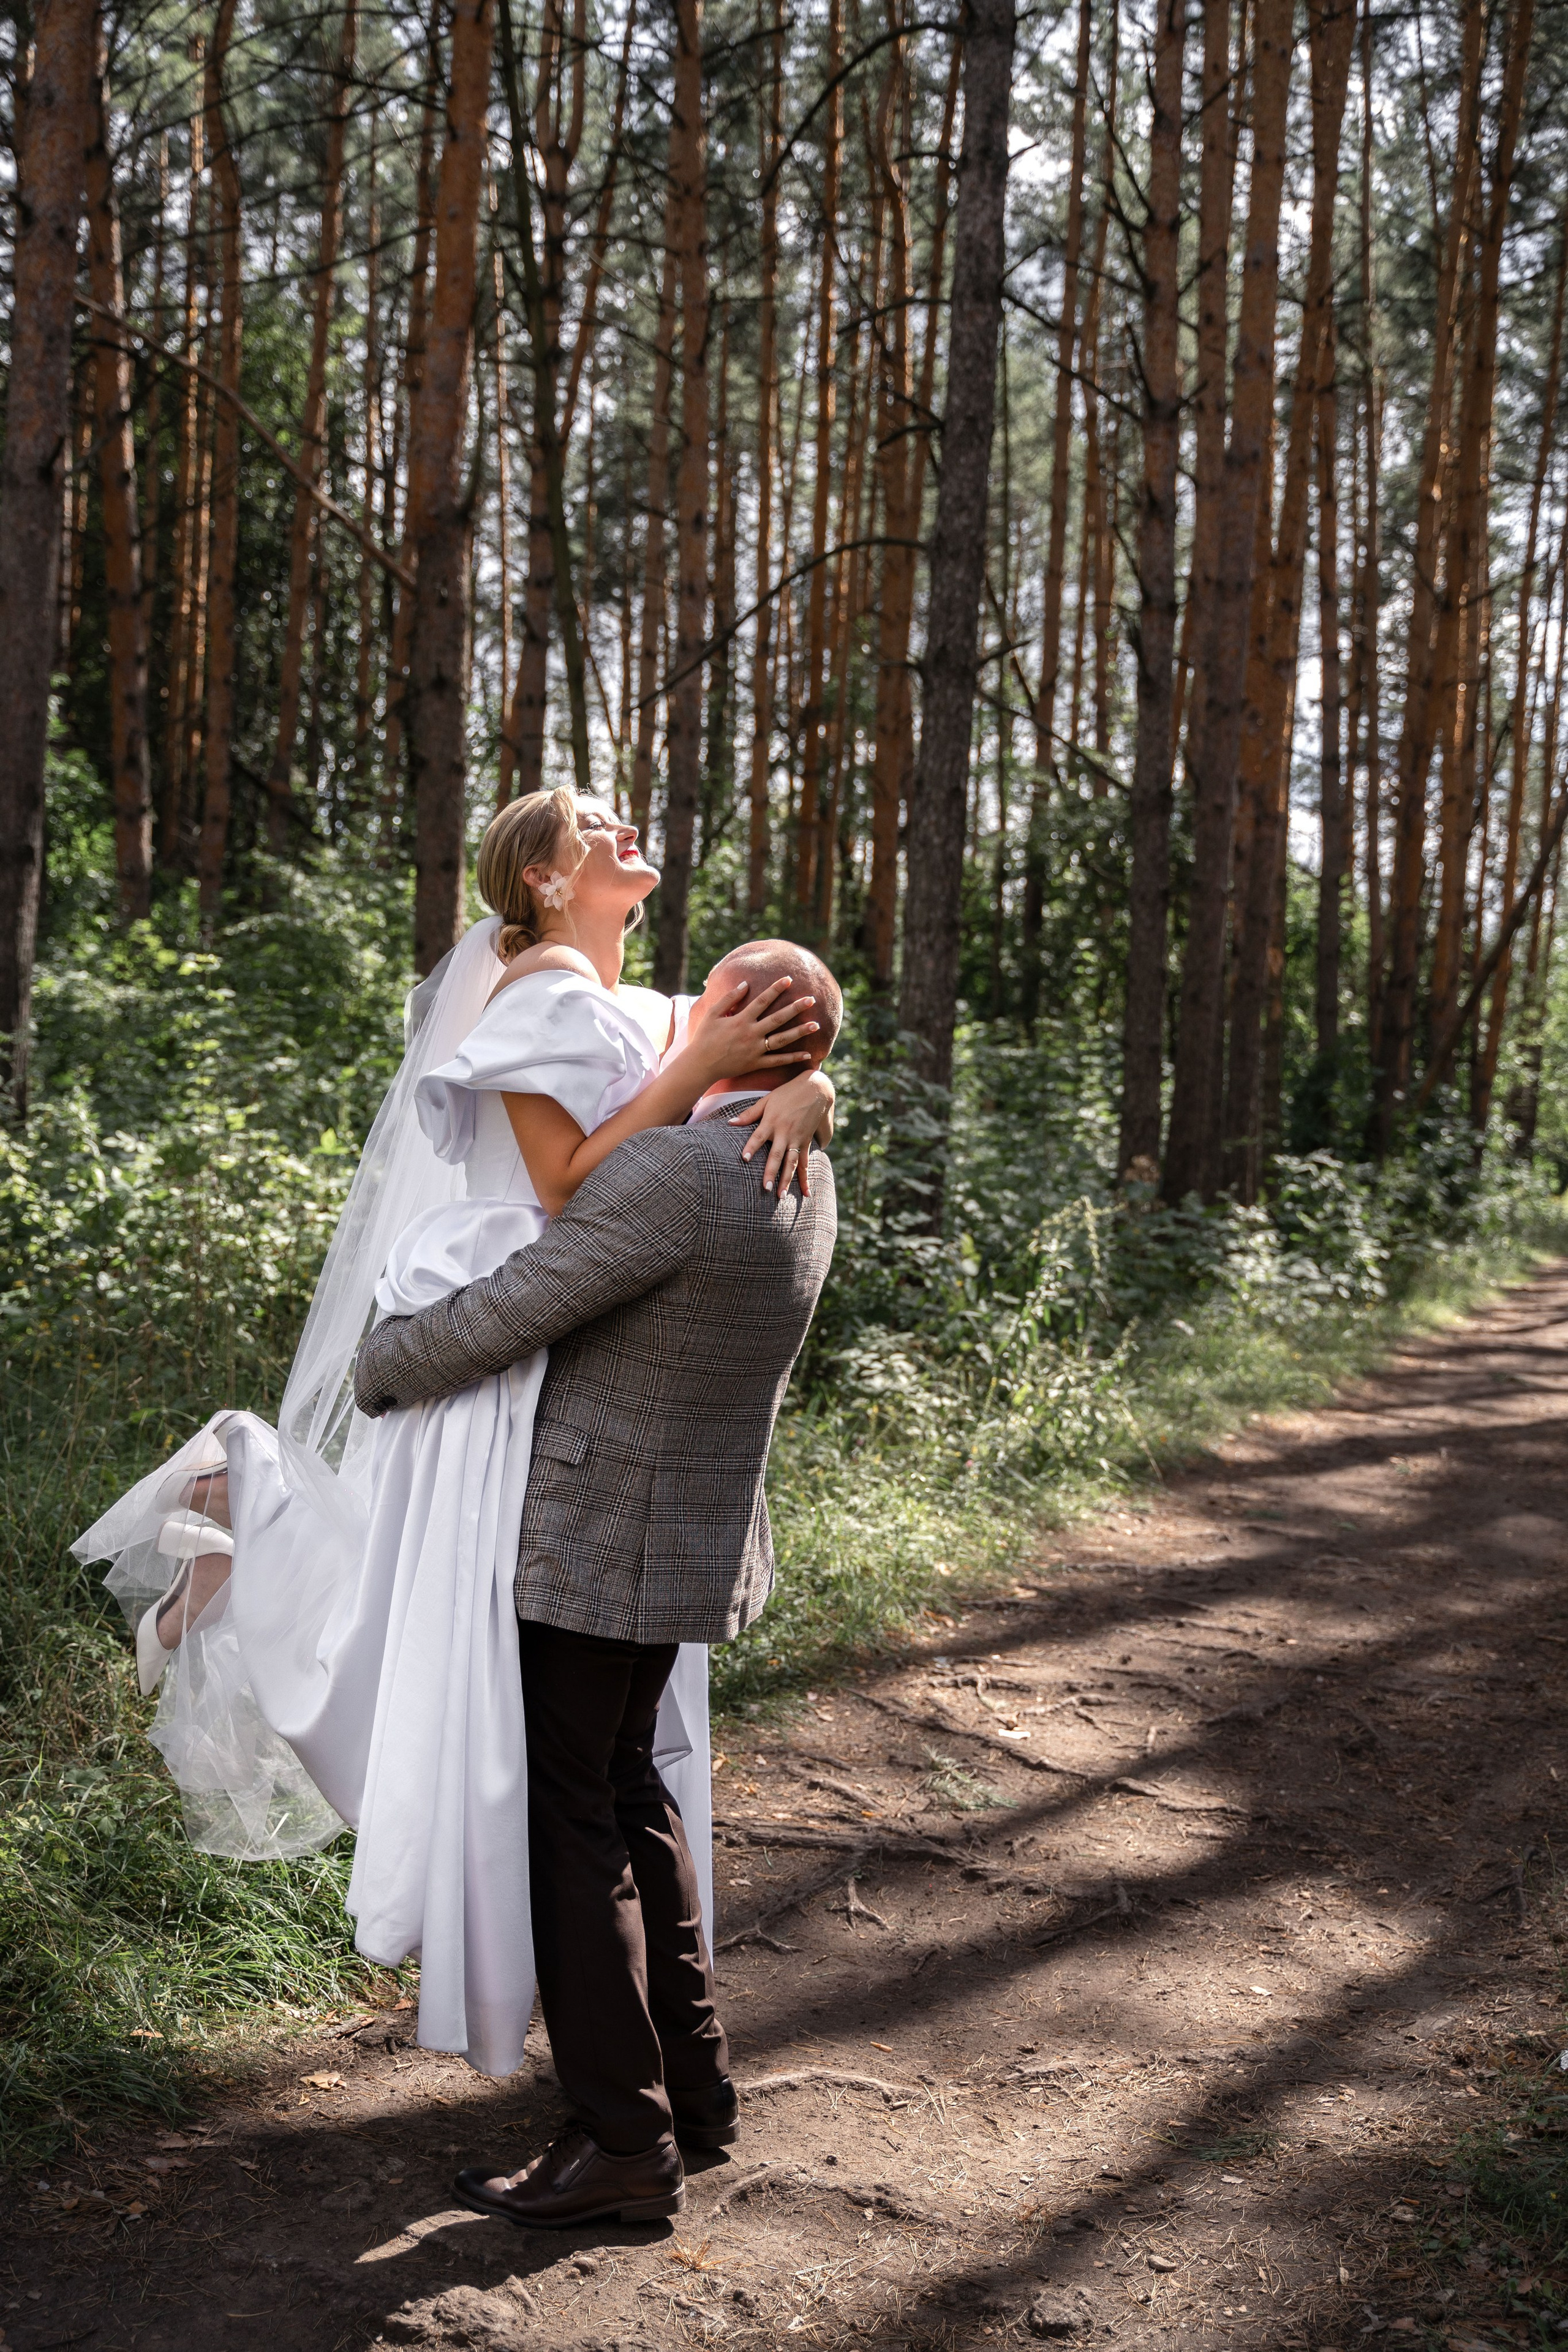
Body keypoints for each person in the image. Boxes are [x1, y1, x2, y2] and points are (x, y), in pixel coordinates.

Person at [72, 788, 834, 2084]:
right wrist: (708, 1069)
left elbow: (753, 1042)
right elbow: (567, 1186)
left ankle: (627, 2081)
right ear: (543, 877)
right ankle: (247, 1500)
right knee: (435, 1650)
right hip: (509, 1329)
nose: (627, 824)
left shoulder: (630, 1004)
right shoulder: (544, 997)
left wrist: (809, 1081)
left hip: (580, 1346)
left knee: (496, 1684)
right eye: (594, 820)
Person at [354, 933, 841, 2228]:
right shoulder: (804, 1170)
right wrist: (813, 1081)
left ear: (737, 1020)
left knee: (570, 1825)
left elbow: (519, 1303)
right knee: (628, 1791)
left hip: (590, 1547)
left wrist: (382, 1361)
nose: (679, 1006)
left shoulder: (680, 1172)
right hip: (681, 1541)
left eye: (707, 993)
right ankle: (697, 2090)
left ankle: (623, 2137)